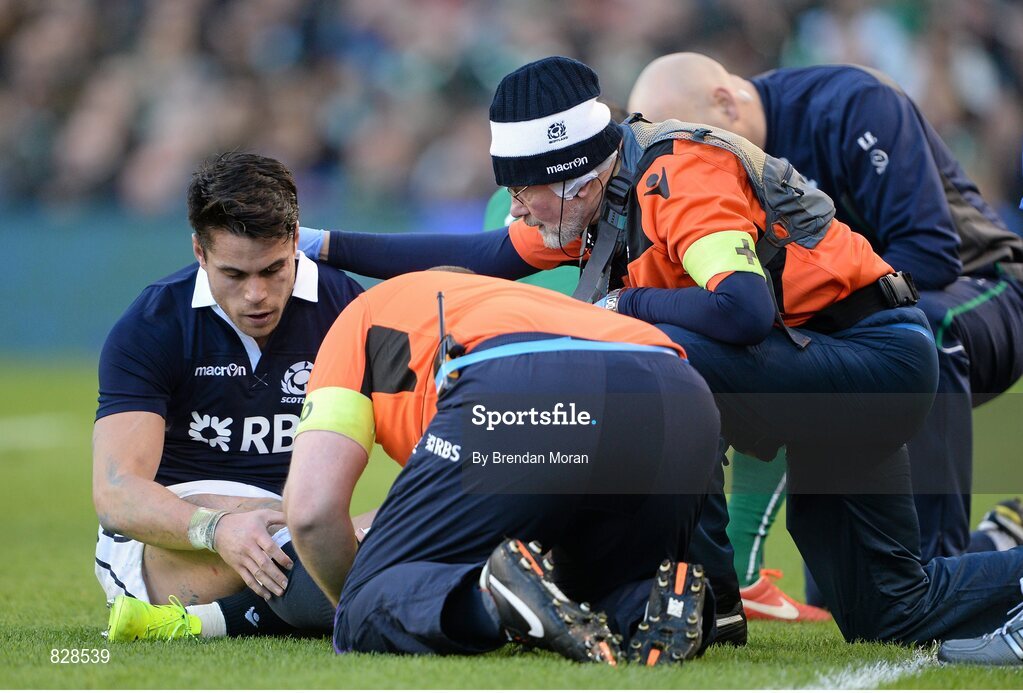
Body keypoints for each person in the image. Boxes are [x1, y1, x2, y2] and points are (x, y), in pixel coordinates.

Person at [312, 55, 1023, 646]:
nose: (516, 211)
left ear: (576, 177)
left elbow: (740, 309)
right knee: (891, 610)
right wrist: (325, 246)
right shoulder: (594, 196)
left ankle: (709, 594)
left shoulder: (676, 174)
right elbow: (484, 252)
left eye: (525, 193)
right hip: (834, 361)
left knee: (648, 353)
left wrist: (626, 303)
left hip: (871, 363)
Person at [627, 53, 1023, 609]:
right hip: (854, 323)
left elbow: (932, 254)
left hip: (989, 288)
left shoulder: (852, 104)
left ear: (724, 103)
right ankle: (993, 541)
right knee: (845, 593)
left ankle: (944, 563)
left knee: (929, 323)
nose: (679, 154)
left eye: (689, 135)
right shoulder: (695, 175)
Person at [284, 269, 722, 665]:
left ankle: (492, 596)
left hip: (526, 382)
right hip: (679, 389)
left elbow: (312, 513)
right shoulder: (510, 300)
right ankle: (648, 601)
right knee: (587, 595)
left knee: (364, 607)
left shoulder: (361, 314)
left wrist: (358, 605)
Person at [93, 152, 364, 642]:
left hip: (300, 525)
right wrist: (215, 528)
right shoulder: (154, 324)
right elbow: (116, 494)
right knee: (328, 558)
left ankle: (207, 623)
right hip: (180, 531)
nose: (256, 295)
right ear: (199, 251)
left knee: (443, 509)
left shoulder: (344, 308)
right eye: (234, 275)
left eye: (273, 269)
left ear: (296, 240)